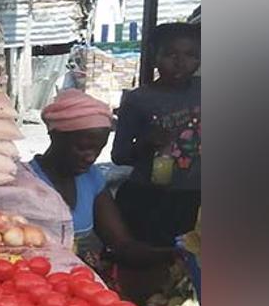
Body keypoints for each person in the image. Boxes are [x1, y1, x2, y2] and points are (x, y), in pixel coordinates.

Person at [30, 89, 172, 289]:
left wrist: (175, 255)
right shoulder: (24, 184)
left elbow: (121, 244)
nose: (91, 157)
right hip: (35, 287)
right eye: (82, 148)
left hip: (83, 286)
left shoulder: (91, 177)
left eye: (98, 149)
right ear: (55, 136)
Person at [111, 22, 201, 250]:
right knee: (154, 258)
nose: (180, 62)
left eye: (191, 55)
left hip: (196, 197)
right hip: (152, 198)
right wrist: (146, 143)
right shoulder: (138, 100)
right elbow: (119, 156)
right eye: (171, 54)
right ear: (154, 56)